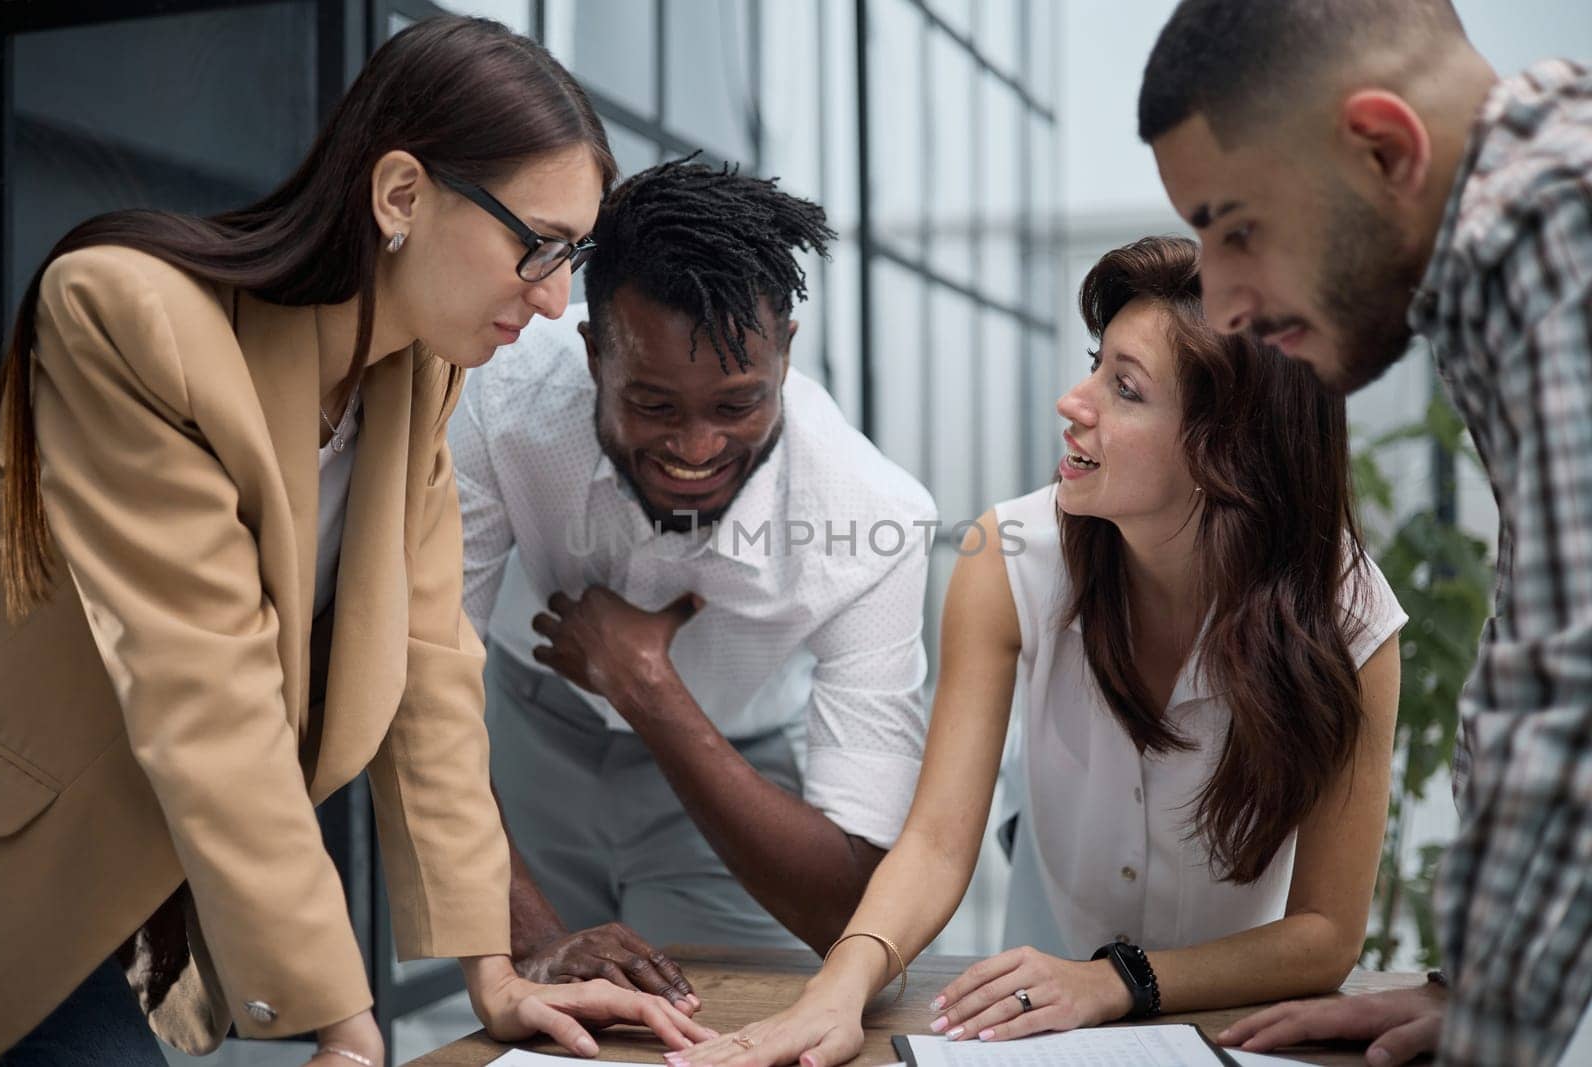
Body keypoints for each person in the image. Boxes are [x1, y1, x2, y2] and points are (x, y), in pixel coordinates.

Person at [0, 17, 709, 1067]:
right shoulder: (125, 314)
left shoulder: (414, 374)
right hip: (26, 871)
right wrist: (347, 1021)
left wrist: (496, 972)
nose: (556, 299)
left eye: (573, 256)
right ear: (401, 196)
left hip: (134, 891)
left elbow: (429, 675)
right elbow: (206, 684)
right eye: (537, 246)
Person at [671, 235, 1406, 1067]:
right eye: (1096, 364)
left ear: (1229, 446)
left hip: (1228, 1031)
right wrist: (835, 990)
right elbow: (940, 840)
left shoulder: (1350, 621)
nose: (1073, 400)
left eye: (1124, 389)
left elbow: (1325, 934)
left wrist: (1119, 980)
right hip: (1032, 1036)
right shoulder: (1009, 555)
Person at [1139, 2, 1591, 1063]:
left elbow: (1578, 686)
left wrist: (1490, 1038)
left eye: (1237, 225)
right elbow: (1534, 632)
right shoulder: (1505, 247)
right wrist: (1471, 985)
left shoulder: (1546, 226)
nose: (1224, 300)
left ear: (1384, 147)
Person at [450, 160, 936, 973]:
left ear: (785, 351)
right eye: (653, 405)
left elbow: (850, 905)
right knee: (545, 1029)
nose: (697, 448)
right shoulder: (495, 393)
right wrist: (536, 945)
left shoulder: (875, 516)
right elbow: (420, 693)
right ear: (594, 351)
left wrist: (646, 685)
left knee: (718, 1035)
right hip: (525, 738)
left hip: (732, 764)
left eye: (737, 404)